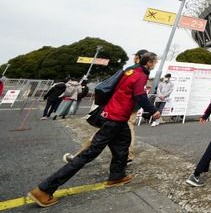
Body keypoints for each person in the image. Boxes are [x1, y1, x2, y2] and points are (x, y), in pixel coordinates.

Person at [28, 52, 161, 207]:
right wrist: (153, 111)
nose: (155, 65)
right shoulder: (140, 75)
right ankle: (44, 189)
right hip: (115, 118)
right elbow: (140, 95)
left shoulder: (130, 71)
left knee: (123, 145)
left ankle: (117, 175)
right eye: (154, 62)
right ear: (149, 63)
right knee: (89, 153)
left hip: (116, 115)